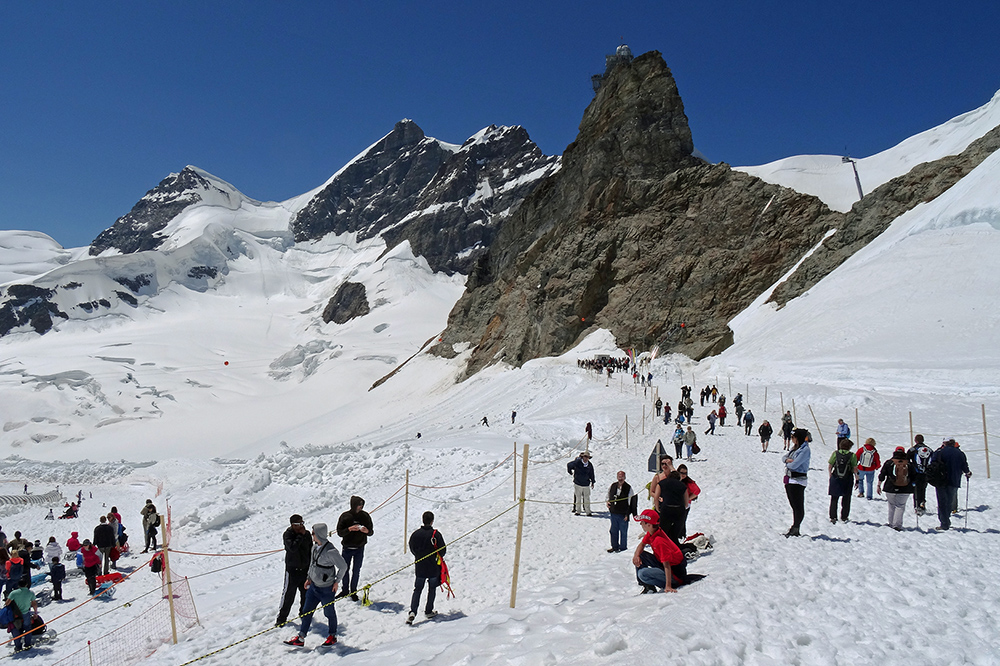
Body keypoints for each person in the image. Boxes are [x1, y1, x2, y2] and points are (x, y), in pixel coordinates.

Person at [283, 523, 347, 648]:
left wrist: (337, 581)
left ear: (319, 534)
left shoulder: (331, 551)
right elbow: (312, 564)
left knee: (329, 613)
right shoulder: (314, 547)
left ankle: (332, 636)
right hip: (314, 587)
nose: (312, 535)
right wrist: (309, 578)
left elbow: (343, 566)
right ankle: (301, 638)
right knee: (306, 612)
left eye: (313, 533)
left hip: (327, 589)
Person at [632, 509, 685, 594]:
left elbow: (666, 564)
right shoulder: (653, 532)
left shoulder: (659, 541)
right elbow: (642, 545)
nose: (640, 524)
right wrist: (636, 555)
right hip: (662, 565)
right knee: (640, 555)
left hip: (674, 576)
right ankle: (648, 586)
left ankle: (658, 584)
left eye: (642, 522)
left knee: (642, 574)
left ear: (649, 525)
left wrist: (668, 586)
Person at [406, 511, 446, 625]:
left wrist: (418, 555)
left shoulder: (416, 534)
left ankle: (413, 611)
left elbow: (412, 548)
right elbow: (443, 550)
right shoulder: (435, 534)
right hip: (433, 567)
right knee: (432, 588)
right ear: (432, 521)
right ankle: (428, 611)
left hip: (420, 566)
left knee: (417, 589)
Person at [276, 514, 312, 627]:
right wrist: (300, 536)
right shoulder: (288, 535)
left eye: (302, 523)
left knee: (305, 594)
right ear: (293, 525)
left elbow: (310, 549)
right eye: (299, 524)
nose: (301, 526)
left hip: (305, 569)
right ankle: (282, 618)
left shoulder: (307, 534)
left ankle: (304, 613)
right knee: (288, 595)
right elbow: (292, 548)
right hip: (292, 570)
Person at [336, 496, 374, 601]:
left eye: (361, 505)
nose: (360, 507)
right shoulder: (345, 516)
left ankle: (353, 591)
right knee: (344, 570)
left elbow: (371, 531)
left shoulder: (365, 516)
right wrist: (349, 529)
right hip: (347, 547)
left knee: (356, 570)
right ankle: (345, 590)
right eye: (358, 505)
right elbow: (339, 532)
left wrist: (367, 531)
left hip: (359, 548)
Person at [931, 438, 972, 531]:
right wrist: (968, 473)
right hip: (954, 480)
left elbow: (932, 462)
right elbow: (964, 466)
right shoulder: (960, 453)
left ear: (944, 443)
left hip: (941, 480)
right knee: (949, 501)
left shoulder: (939, 452)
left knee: (942, 502)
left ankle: (944, 522)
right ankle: (946, 519)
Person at [878, 447, 916, 530]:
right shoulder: (909, 463)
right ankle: (897, 525)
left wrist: (879, 485)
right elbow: (914, 476)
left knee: (891, 505)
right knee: (900, 506)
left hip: (890, 488)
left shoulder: (889, 462)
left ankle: (891, 523)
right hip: (905, 489)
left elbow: (882, 475)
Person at [783, 428, 811, 537]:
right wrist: (787, 461)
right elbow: (784, 457)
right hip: (790, 479)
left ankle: (796, 527)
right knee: (793, 505)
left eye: (793, 437)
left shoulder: (805, 450)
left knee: (798, 506)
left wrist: (788, 463)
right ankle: (795, 527)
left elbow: (795, 465)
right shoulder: (795, 448)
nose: (792, 439)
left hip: (798, 480)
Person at [651, 469, 689, 545]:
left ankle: (664, 549)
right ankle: (675, 549)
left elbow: (656, 497)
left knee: (664, 532)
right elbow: (686, 502)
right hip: (679, 510)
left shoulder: (661, 483)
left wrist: (658, 508)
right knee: (675, 535)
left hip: (666, 509)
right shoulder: (682, 485)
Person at [606, 471, 638, 553]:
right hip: (613, 513)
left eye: (622, 477)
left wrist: (628, 514)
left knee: (623, 532)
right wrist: (607, 502)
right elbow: (608, 495)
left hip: (623, 514)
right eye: (619, 476)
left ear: (625, 477)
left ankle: (623, 548)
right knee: (613, 530)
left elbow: (631, 502)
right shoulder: (613, 486)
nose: (620, 478)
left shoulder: (628, 488)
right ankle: (614, 547)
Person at [828, 438, 857, 523]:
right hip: (847, 478)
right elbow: (855, 469)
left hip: (835, 477)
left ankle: (833, 516)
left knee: (834, 498)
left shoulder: (835, 453)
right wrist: (857, 479)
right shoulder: (852, 455)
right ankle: (844, 516)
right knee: (846, 498)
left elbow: (830, 466)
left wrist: (830, 475)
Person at [5, 579, 38, 652]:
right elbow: (34, 604)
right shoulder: (30, 593)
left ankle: (18, 646)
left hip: (15, 615)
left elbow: (7, 603)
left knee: (15, 629)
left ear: (18, 585)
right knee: (28, 628)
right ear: (26, 585)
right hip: (26, 613)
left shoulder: (13, 593)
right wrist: (35, 613)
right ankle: (27, 645)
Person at [908, 434, 933, 515]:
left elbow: (907, 458)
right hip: (926, 473)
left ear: (916, 440)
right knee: (923, 489)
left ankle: (917, 506)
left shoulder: (913, 449)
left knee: (916, 490)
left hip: (916, 473)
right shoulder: (929, 449)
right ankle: (922, 504)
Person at [567, 451, 596, 516]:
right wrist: (570, 472)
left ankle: (588, 511)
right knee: (578, 498)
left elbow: (592, 474)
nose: (586, 458)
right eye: (585, 457)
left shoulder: (590, 465)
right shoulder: (577, 462)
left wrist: (593, 482)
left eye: (587, 457)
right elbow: (569, 465)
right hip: (578, 483)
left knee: (587, 498)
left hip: (586, 484)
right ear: (582, 457)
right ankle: (578, 511)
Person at [676, 464, 700, 539]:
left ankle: (682, 536)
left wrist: (688, 498)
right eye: (682, 473)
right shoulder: (674, 479)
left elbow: (697, 491)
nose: (683, 475)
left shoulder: (689, 482)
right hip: (675, 504)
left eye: (685, 473)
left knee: (681, 522)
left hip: (685, 506)